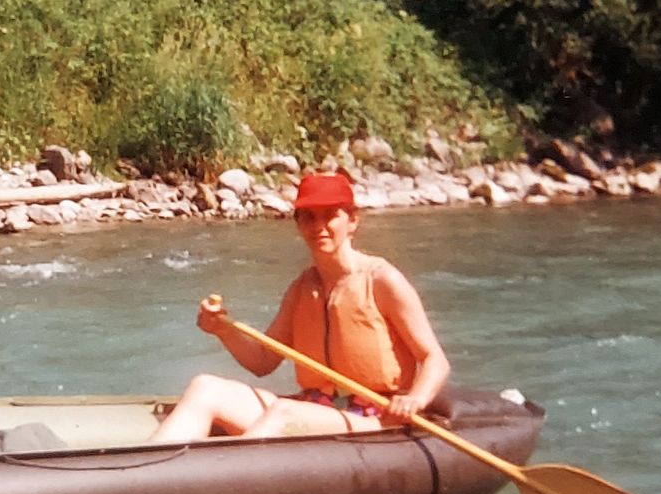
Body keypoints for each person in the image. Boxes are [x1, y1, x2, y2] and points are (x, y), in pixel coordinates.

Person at [150, 171, 451, 442]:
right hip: (316, 407)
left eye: (330, 215)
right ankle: (149, 477)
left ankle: (221, 481)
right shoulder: (302, 288)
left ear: (353, 221)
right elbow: (263, 362)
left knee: (285, 413)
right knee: (205, 388)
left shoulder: (383, 281)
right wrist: (222, 331)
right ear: (298, 224)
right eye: (308, 217)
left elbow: (434, 359)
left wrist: (415, 399)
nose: (319, 226)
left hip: (374, 418)